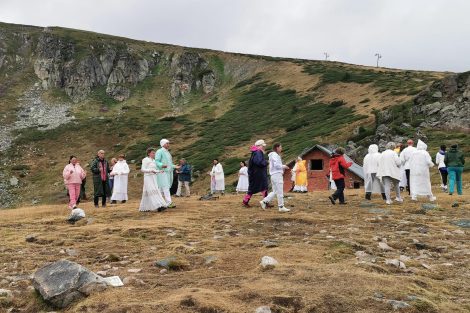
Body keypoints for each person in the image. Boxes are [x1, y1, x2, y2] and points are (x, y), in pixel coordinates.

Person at [260, 143, 290, 212]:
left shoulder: (272, 155)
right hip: (277, 175)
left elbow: (275, 165)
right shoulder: (275, 155)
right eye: (280, 147)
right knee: (279, 191)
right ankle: (281, 206)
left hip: (273, 175)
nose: (281, 148)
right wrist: (284, 166)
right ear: (277, 148)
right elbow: (277, 165)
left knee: (275, 191)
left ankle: (264, 201)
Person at [139, 148, 168, 212]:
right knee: (152, 191)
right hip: (148, 178)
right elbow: (142, 169)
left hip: (154, 178)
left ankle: (145, 207)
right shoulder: (145, 160)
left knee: (149, 191)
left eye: (154, 153)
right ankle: (159, 206)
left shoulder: (154, 161)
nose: (154, 154)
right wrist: (150, 170)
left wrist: (159, 171)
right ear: (149, 153)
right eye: (153, 153)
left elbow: (154, 170)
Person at [243, 140, 269, 207]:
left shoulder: (255, 152)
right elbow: (259, 162)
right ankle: (265, 202)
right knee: (262, 187)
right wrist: (266, 162)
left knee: (260, 187)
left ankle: (246, 201)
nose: (264, 147)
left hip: (255, 174)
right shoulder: (258, 152)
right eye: (263, 146)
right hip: (258, 174)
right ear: (259, 146)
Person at [155, 139, 178, 208]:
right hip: (162, 172)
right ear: (162, 144)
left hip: (168, 172)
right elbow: (156, 161)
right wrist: (161, 165)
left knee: (162, 188)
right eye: (167, 143)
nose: (168, 144)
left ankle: (160, 202)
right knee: (165, 187)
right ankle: (169, 202)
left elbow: (169, 164)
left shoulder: (167, 152)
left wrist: (175, 166)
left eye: (168, 143)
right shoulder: (159, 151)